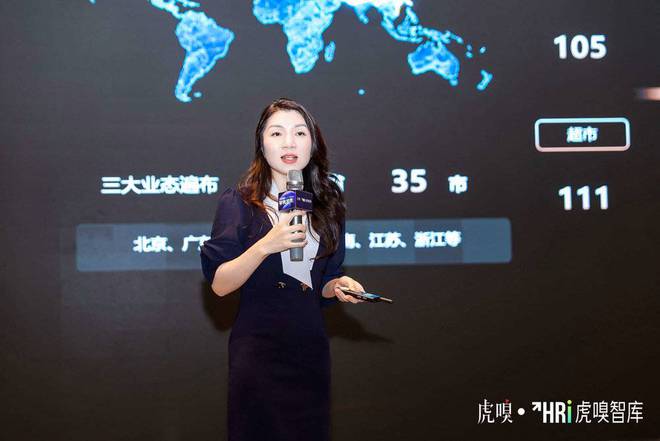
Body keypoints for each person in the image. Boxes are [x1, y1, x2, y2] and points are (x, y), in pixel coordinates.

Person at [200, 97, 366, 441]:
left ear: (313, 143)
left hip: (309, 347)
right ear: (262, 144)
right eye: (277, 133)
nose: (289, 143)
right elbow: (220, 283)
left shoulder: (329, 201)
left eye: (300, 133)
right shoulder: (239, 202)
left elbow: (323, 280)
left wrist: (338, 286)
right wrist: (267, 244)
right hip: (258, 349)